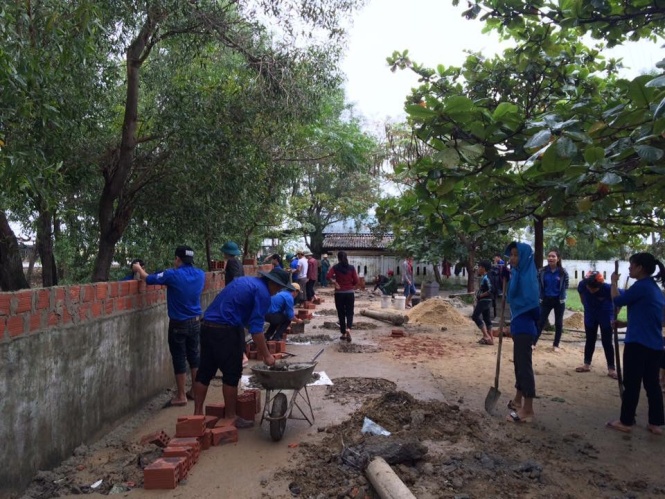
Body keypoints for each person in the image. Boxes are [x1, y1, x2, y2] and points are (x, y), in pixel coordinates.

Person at [192, 268, 296, 427]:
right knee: (231, 373)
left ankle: (197, 415)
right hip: (227, 330)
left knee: (205, 371)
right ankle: (230, 417)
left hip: (207, 326)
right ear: (273, 283)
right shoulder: (263, 293)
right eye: (279, 287)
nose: (279, 291)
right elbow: (256, 331)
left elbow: (243, 312)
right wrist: (267, 356)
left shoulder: (245, 281)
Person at [133, 246, 205, 407]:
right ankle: (194, 390)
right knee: (194, 357)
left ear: (178, 259)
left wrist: (137, 268)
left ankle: (181, 396)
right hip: (195, 322)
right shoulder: (200, 274)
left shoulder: (172, 275)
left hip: (179, 324)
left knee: (179, 358)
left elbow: (148, 278)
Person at [606, 253, 665, 435]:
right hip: (654, 345)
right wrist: (624, 324)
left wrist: (613, 282)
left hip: (638, 344)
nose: (629, 269)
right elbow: (653, 318)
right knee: (652, 384)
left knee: (632, 383)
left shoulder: (641, 286)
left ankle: (626, 421)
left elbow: (617, 300)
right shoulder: (654, 289)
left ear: (640, 267)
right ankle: (655, 423)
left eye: (631, 265)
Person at [505, 241, 541, 423]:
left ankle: (528, 409)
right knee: (518, 365)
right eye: (511, 255)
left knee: (524, 367)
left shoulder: (529, 279)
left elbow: (535, 309)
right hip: (518, 327)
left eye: (515, 255)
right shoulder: (517, 274)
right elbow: (512, 297)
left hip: (525, 329)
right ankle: (518, 400)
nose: (512, 258)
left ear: (524, 257)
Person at [575, 271, 617, 379]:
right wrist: (587, 307)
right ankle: (586, 364)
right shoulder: (582, 285)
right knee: (590, 340)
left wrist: (614, 314)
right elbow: (581, 295)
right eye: (589, 287)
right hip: (590, 315)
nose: (591, 290)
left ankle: (611, 369)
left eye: (594, 288)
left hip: (605, 315)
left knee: (607, 342)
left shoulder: (608, 288)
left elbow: (618, 300)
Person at [536, 248, 569, 352]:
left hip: (559, 301)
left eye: (553, 256)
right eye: (549, 256)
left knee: (558, 323)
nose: (550, 258)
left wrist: (562, 296)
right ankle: (533, 343)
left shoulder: (563, 272)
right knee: (540, 322)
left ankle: (556, 345)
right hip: (545, 300)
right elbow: (539, 285)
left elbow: (566, 285)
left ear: (558, 259)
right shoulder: (542, 271)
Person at [326, 251, 359, 343]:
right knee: (349, 312)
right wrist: (350, 285)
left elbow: (328, 276)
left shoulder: (335, 267)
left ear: (338, 258)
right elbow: (356, 280)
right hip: (349, 293)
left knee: (341, 313)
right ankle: (348, 329)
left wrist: (335, 282)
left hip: (339, 293)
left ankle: (343, 333)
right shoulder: (351, 268)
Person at [472, 260, 494, 345]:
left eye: (479, 267)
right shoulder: (487, 276)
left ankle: (486, 336)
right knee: (486, 319)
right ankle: (491, 339)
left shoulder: (486, 277)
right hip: (487, 301)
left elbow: (490, 290)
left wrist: (480, 296)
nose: (478, 269)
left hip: (484, 300)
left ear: (483, 268)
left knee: (475, 316)